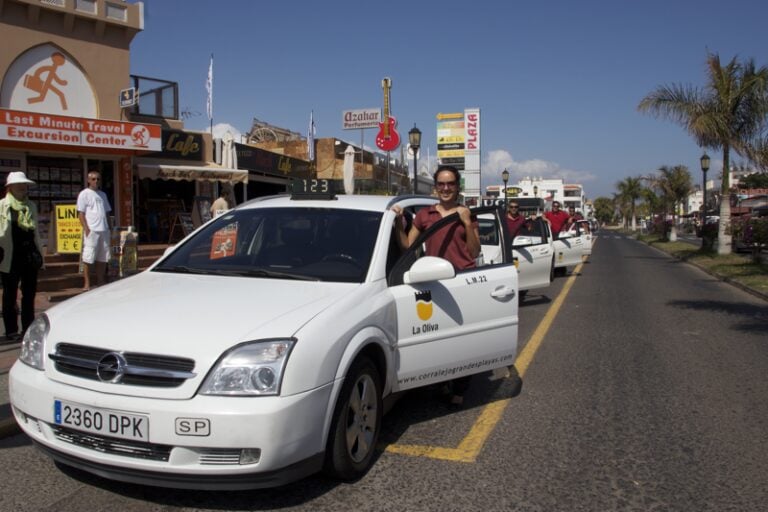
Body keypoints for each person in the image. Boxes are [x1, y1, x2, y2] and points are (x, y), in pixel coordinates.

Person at [393, 165, 480, 406]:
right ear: (435, 187)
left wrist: (465, 221)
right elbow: (407, 247)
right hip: (432, 282)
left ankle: (461, 385)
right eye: (441, 184)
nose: (445, 188)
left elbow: (474, 251)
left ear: (457, 186)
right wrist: (399, 222)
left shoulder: (466, 213)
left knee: (463, 337)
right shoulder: (424, 215)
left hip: (462, 281)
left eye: (450, 183)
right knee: (438, 335)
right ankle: (442, 379)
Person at [0, 171, 43, 342]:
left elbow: (36, 233)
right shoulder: (2, 205)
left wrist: (40, 254)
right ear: (10, 187)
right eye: (19, 185)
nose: (23, 188)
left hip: (29, 255)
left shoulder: (31, 206)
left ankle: (27, 328)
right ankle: (11, 330)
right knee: (9, 295)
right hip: (9, 255)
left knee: (29, 294)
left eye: (24, 185)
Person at [77, 170, 112, 290]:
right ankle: (86, 283)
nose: (96, 181)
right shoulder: (84, 194)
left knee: (103, 257)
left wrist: (110, 228)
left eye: (98, 179)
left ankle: (100, 281)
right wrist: (86, 228)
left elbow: (107, 212)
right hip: (92, 230)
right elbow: (80, 213)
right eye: (93, 179)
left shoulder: (103, 194)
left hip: (104, 229)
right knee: (88, 257)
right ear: (88, 180)